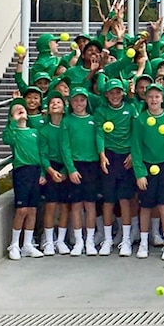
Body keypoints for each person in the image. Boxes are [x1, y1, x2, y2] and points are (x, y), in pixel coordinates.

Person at [130, 83, 164, 260]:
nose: (154, 100)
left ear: (162, 98)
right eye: (150, 96)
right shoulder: (140, 120)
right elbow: (136, 148)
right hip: (147, 167)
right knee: (146, 206)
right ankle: (144, 243)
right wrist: (140, 172)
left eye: (157, 96)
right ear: (145, 99)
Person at [94, 79, 137, 256]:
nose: (115, 95)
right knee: (108, 201)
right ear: (106, 94)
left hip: (126, 157)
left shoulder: (131, 109)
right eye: (112, 92)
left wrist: (133, 153)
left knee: (125, 200)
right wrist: (102, 155)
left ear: (123, 93)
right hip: (109, 158)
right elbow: (99, 134)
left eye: (118, 92)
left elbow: (136, 133)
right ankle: (108, 240)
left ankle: (126, 240)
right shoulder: (100, 111)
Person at [4, 99, 47, 260]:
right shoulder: (13, 132)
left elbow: (41, 154)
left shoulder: (34, 132)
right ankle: (14, 244)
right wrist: (13, 122)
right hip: (22, 171)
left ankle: (27, 244)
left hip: (35, 171)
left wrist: (42, 173)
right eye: (16, 110)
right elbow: (7, 139)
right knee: (21, 210)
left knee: (33, 210)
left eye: (22, 108)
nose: (20, 110)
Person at [60, 87, 100, 256]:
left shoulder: (94, 120)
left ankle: (90, 241)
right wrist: (71, 169)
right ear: (70, 102)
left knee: (90, 205)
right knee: (76, 205)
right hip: (75, 166)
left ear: (86, 102)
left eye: (82, 100)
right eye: (75, 100)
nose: (79, 103)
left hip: (91, 165)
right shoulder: (67, 121)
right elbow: (65, 147)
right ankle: (79, 241)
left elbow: (100, 142)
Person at [39, 91, 71, 256]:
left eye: (58, 102)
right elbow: (43, 155)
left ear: (64, 108)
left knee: (65, 206)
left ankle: (61, 241)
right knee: (51, 206)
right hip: (51, 168)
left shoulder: (68, 126)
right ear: (48, 109)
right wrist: (50, 171)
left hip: (67, 167)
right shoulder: (44, 131)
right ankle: (49, 242)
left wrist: (66, 171)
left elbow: (71, 150)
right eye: (52, 103)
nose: (55, 105)